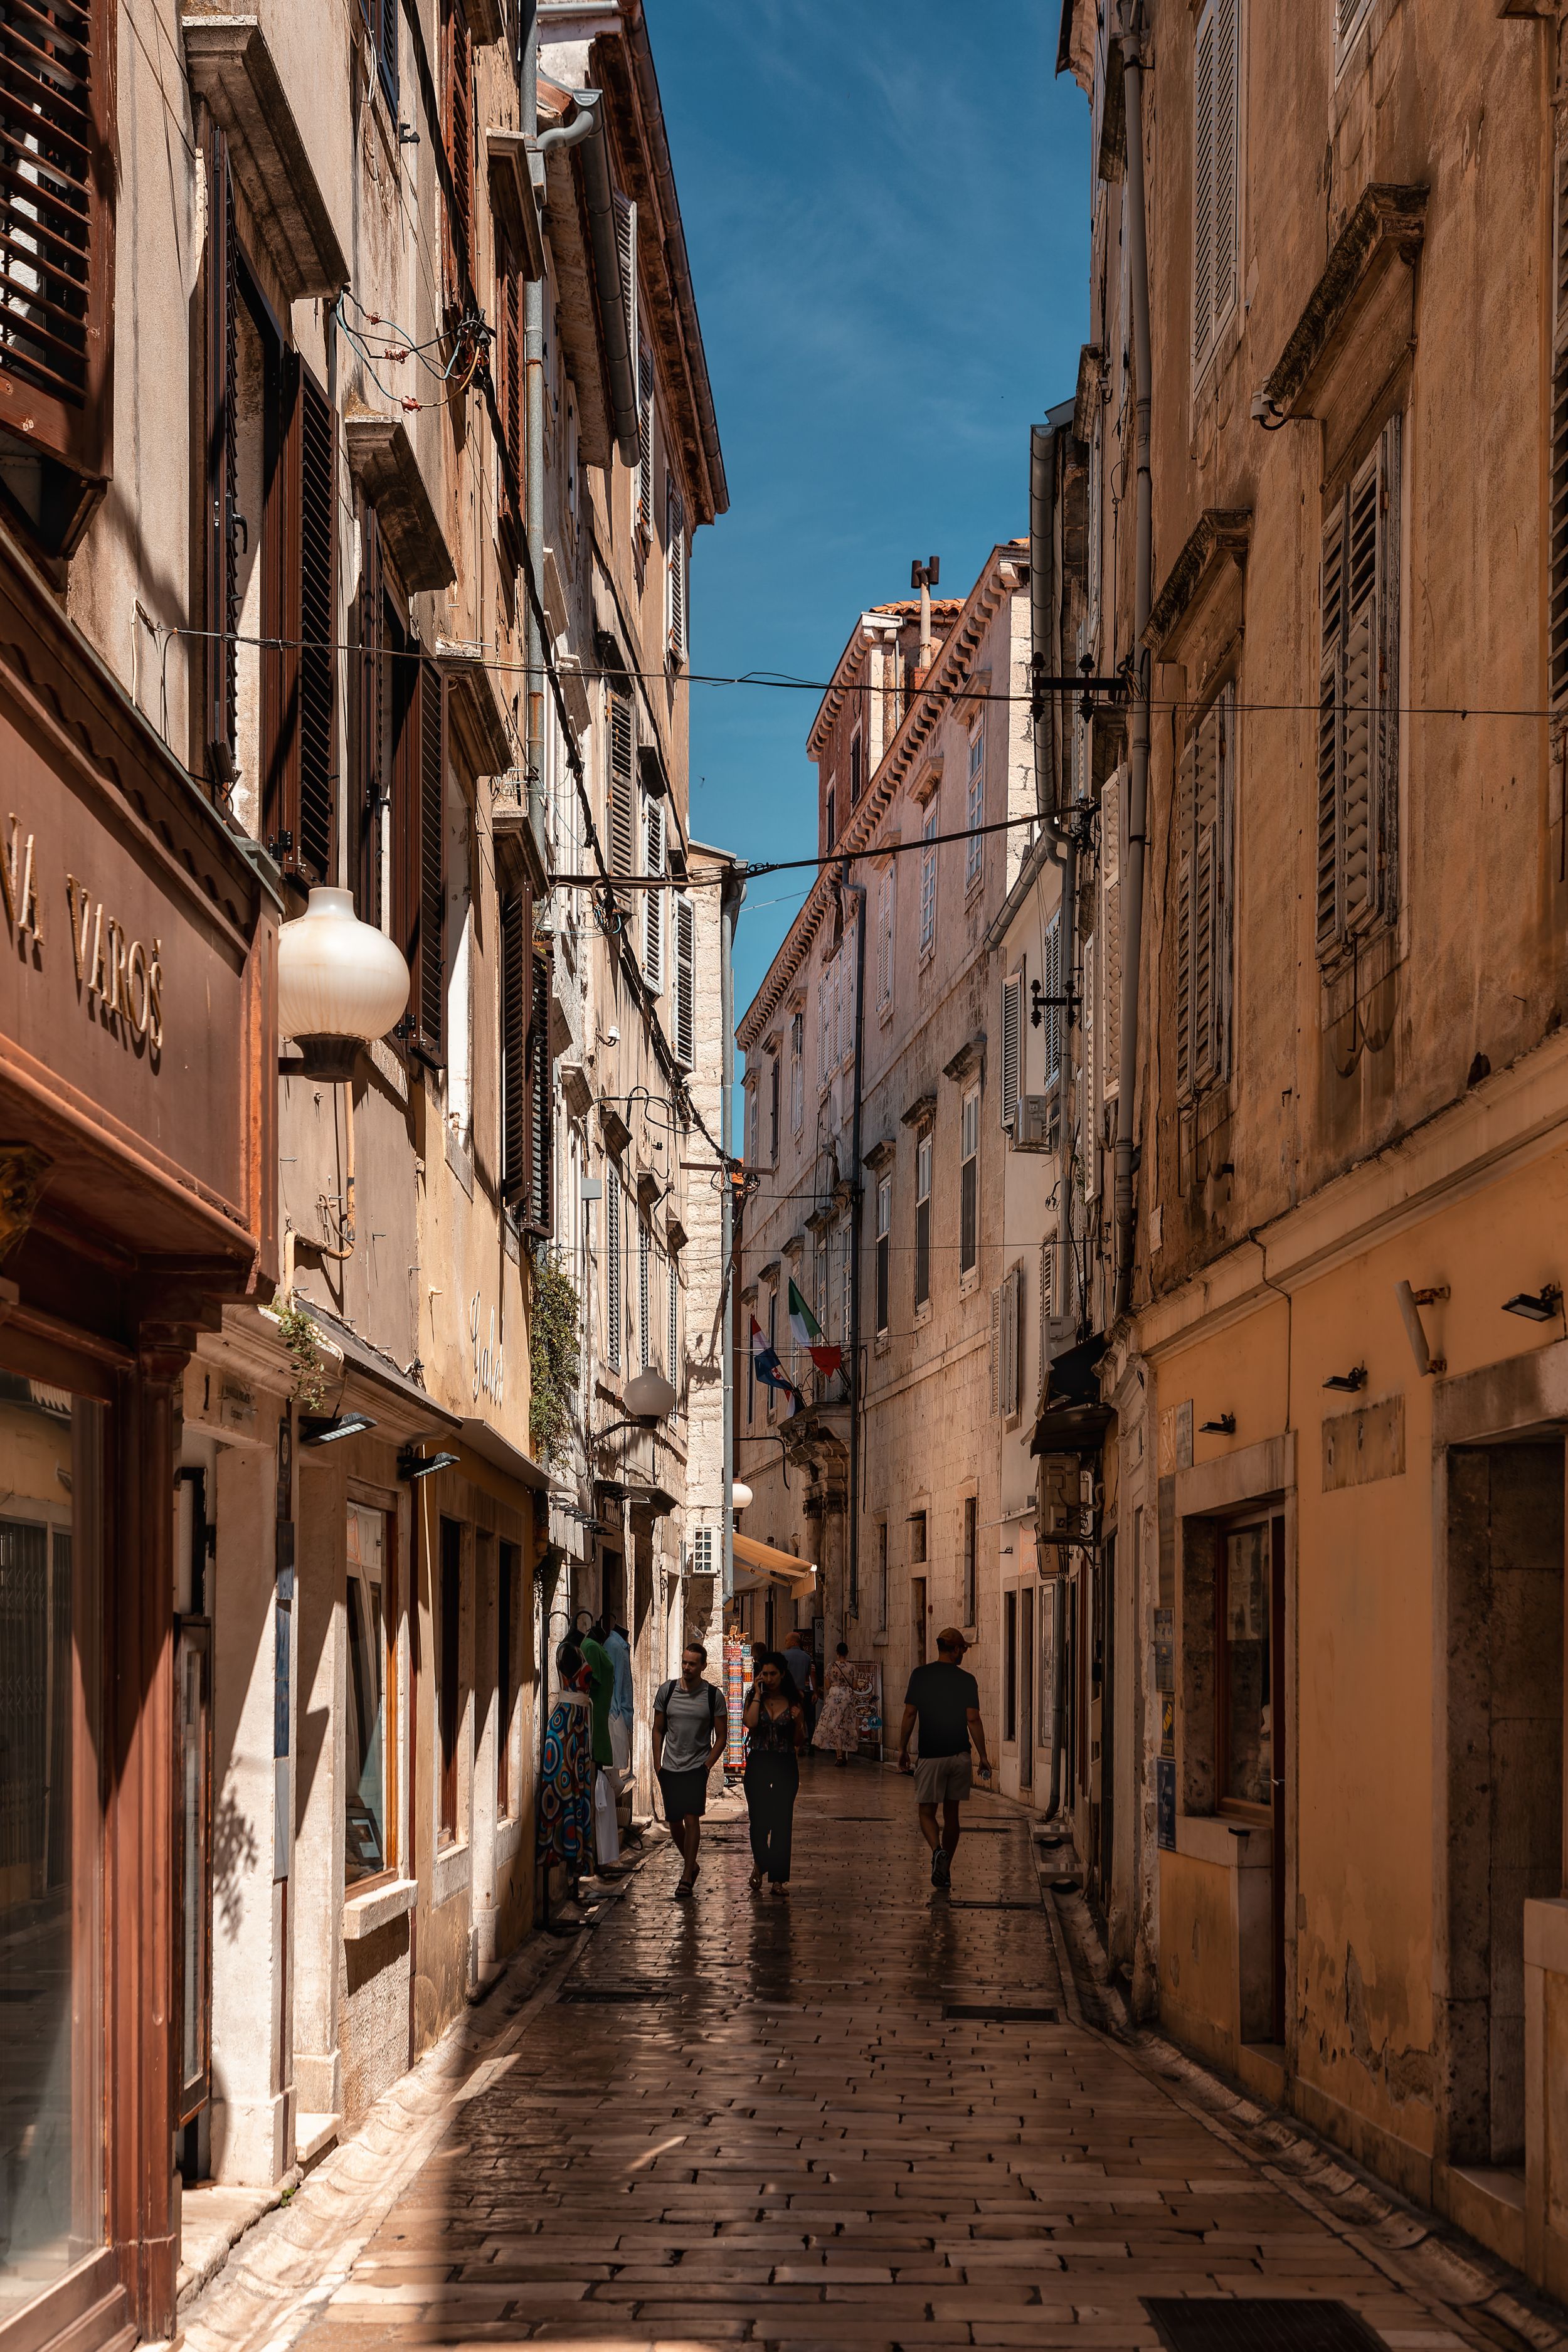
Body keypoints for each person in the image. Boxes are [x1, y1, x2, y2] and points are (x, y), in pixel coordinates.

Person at [898, 1626, 993, 1889]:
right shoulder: (967, 1680)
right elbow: (972, 1719)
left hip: (931, 1756)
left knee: (927, 1812)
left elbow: (909, 1714)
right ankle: (946, 1867)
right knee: (953, 1816)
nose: (963, 1652)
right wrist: (983, 1756)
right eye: (962, 1648)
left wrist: (903, 1748)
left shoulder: (920, 1676)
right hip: (959, 1754)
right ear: (955, 1650)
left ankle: (937, 1851)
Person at [652, 1642, 727, 1899]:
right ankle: (692, 1864)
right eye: (685, 1662)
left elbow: (721, 1737)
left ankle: (686, 1876)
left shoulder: (713, 1696)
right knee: (674, 1822)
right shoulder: (668, 1690)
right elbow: (658, 1728)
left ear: (703, 1666)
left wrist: (707, 1766)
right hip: (670, 1767)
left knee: (691, 1817)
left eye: (693, 1663)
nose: (687, 1667)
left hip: (696, 1767)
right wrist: (656, 1763)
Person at [743, 1652, 805, 1895]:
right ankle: (763, 1861)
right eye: (765, 1674)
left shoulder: (794, 1700)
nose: (769, 1679)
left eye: (773, 1674)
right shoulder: (754, 1697)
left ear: (782, 1674)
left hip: (785, 1763)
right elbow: (750, 1723)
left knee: (781, 1821)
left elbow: (799, 1740)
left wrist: (799, 1723)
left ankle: (778, 1880)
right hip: (759, 1762)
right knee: (759, 1819)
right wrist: (758, 1694)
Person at [536, 1639, 593, 1884]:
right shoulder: (570, 1654)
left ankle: (574, 1854)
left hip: (578, 1723)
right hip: (566, 1725)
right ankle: (564, 1850)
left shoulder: (571, 1653)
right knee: (563, 1787)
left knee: (574, 1787)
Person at [580, 1621, 622, 1875]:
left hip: (602, 1721)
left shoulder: (595, 1645)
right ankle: (597, 1857)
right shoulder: (591, 1648)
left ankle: (603, 1857)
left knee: (601, 1795)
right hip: (594, 1723)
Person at [812, 1641, 861, 1766]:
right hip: (848, 1697)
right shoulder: (853, 1668)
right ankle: (844, 1754)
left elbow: (827, 1686)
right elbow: (855, 1686)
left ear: (837, 1653)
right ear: (847, 1653)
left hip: (834, 1697)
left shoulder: (830, 1667)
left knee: (836, 1725)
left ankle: (839, 1755)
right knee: (846, 1724)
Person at [781, 1629, 818, 1741]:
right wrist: (815, 1692)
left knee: (787, 1717)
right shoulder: (807, 1658)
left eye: (787, 1641)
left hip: (786, 1693)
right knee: (802, 1717)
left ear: (793, 1642)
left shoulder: (783, 1656)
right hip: (801, 1693)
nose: (785, 1643)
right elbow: (809, 1676)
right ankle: (804, 1743)